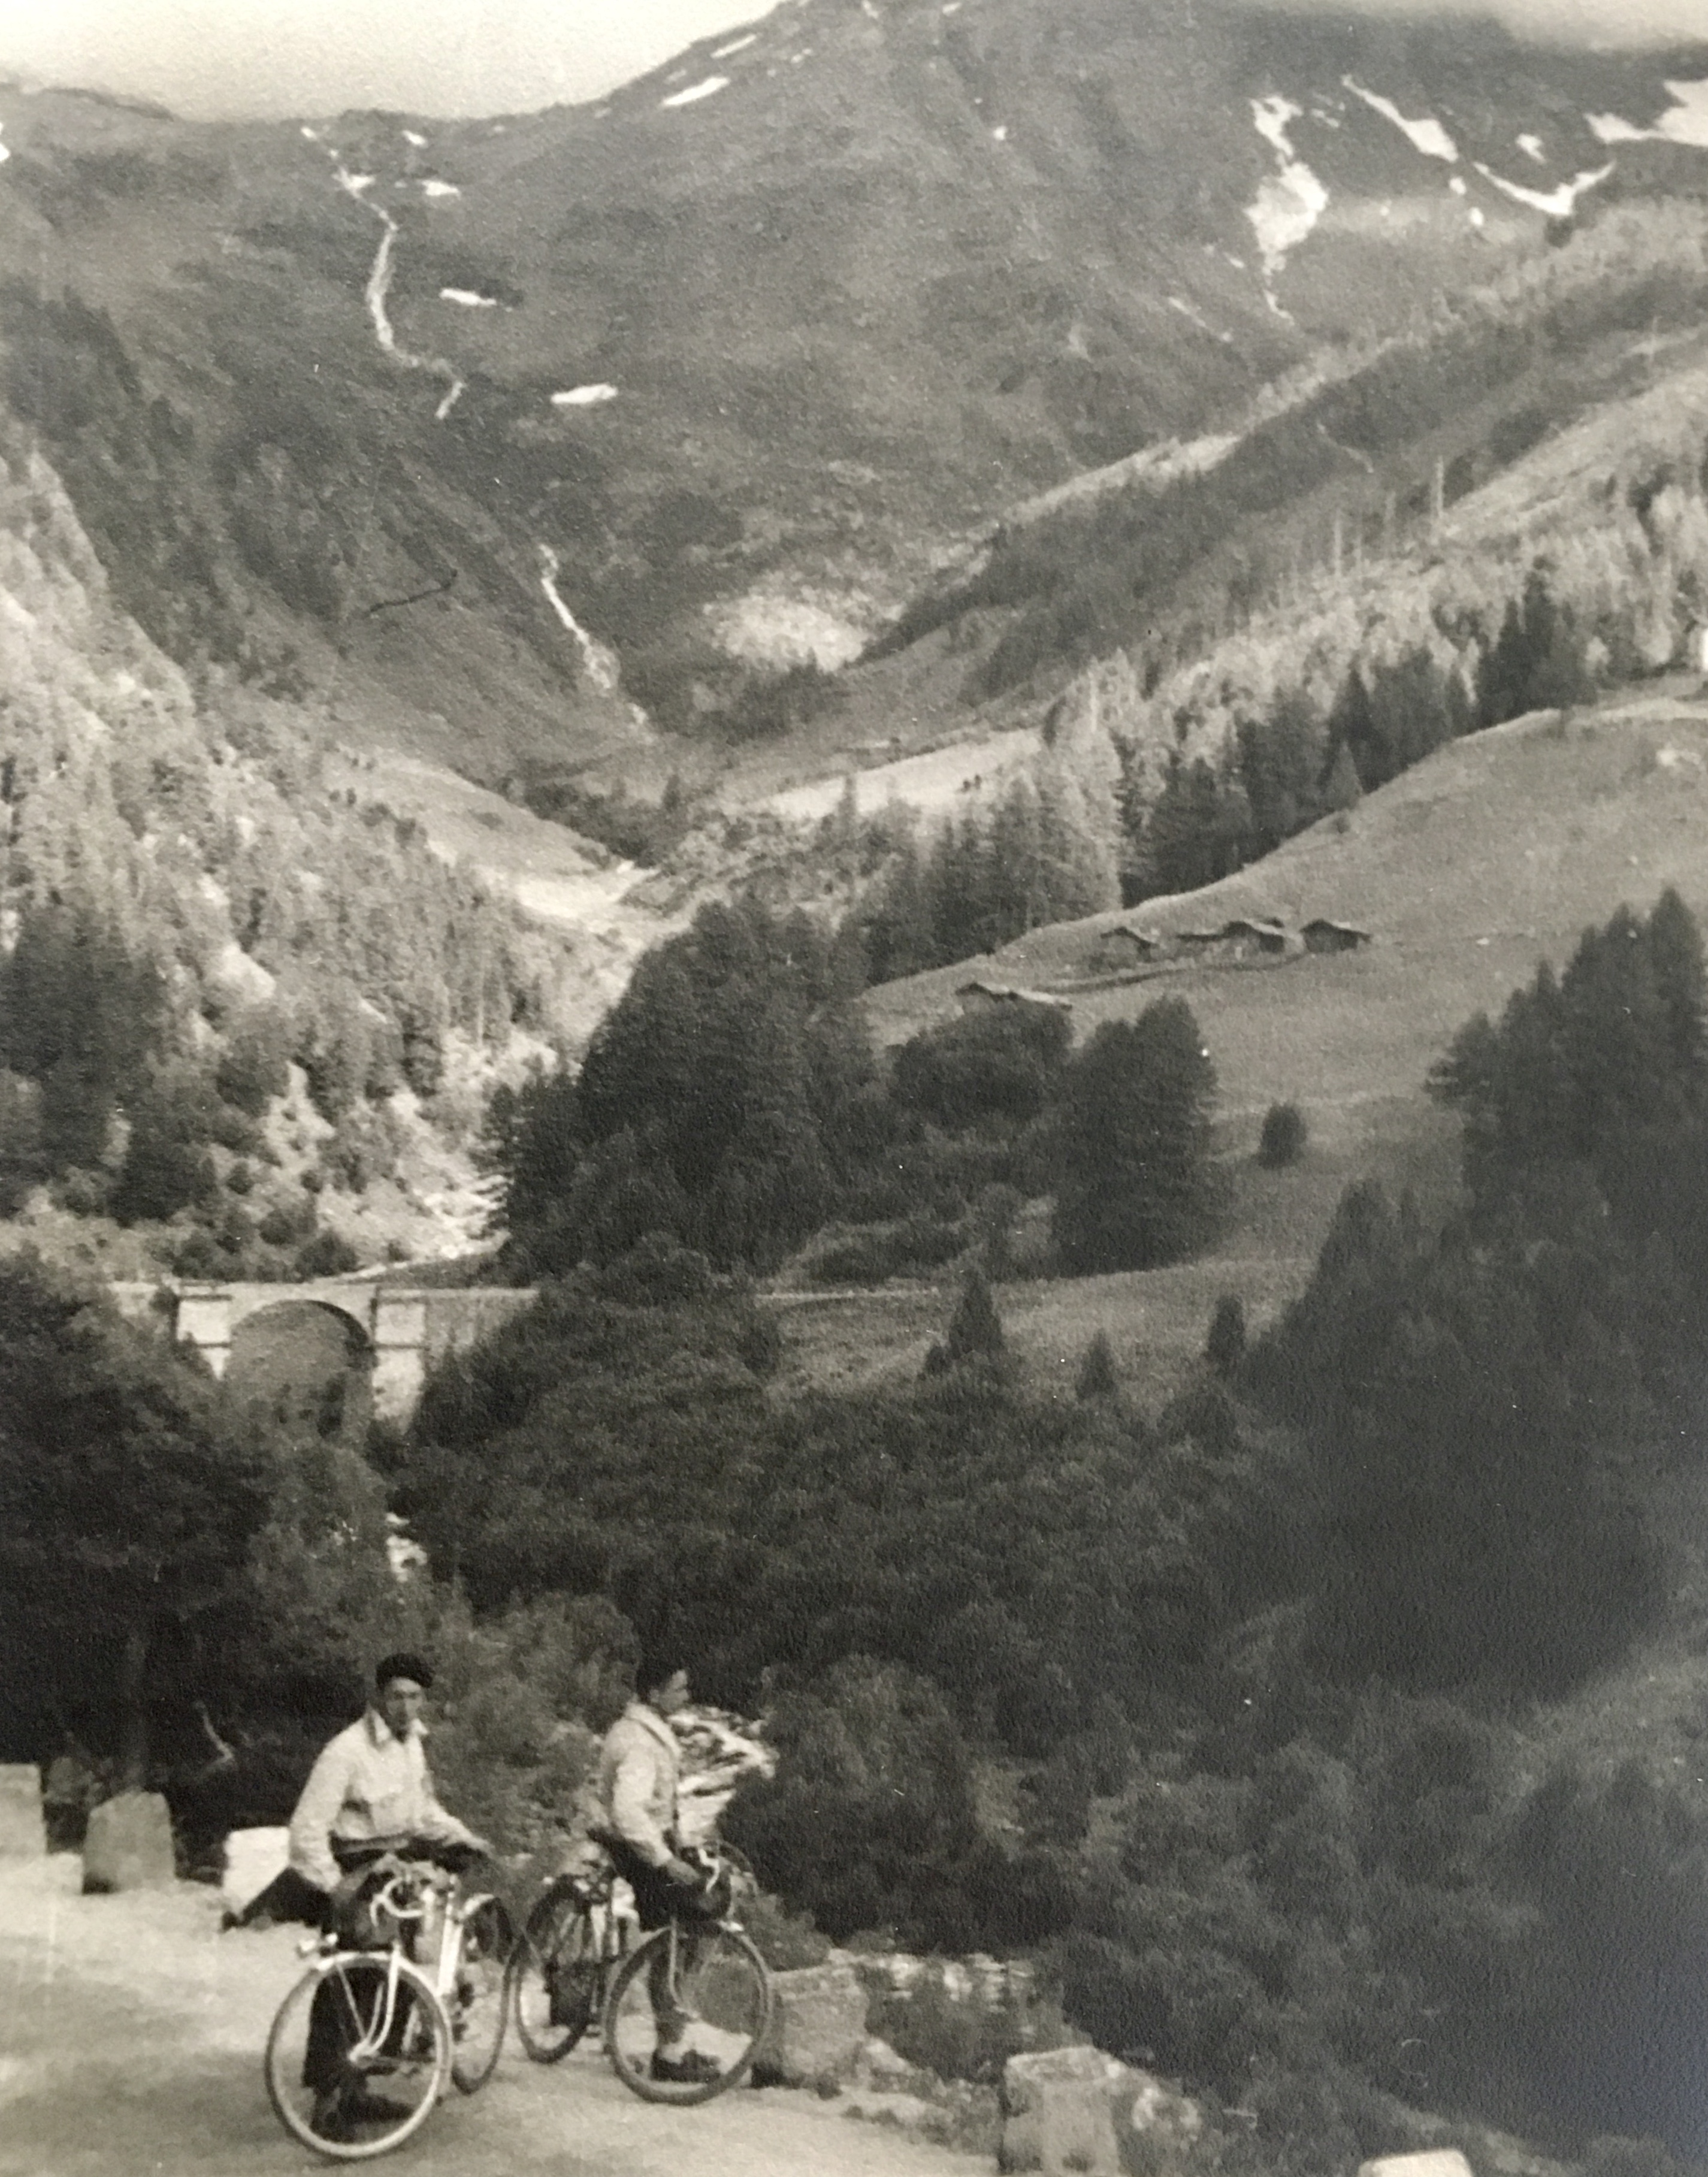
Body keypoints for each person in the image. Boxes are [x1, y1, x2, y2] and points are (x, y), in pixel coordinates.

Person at [287, 1652, 491, 2138]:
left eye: (415, 1697)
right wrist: (335, 1886)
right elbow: (306, 1830)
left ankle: (360, 2091)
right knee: (349, 1984)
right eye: (396, 1696)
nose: (405, 1707)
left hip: (397, 1870)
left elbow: (422, 1812)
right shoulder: (346, 1752)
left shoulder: (412, 1744)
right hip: (356, 1873)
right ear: (378, 1696)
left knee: (397, 1977)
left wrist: (463, 1837)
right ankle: (329, 2102)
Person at [593, 1647, 720, 2084]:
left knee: (690, 1921)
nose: (686, 1696)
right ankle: (669, 2052)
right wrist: (667, 1861)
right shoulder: (641, 1744)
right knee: (684, 1929)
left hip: (649, 1841)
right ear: (653, 1694)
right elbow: (629, 1812)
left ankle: (671, 2035)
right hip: (642, 1849)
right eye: (678, 1689)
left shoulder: (641, 1729)